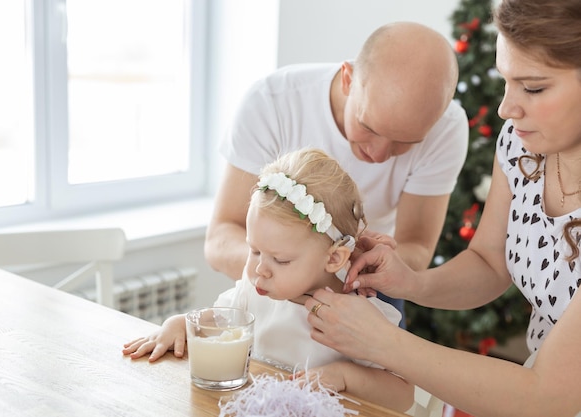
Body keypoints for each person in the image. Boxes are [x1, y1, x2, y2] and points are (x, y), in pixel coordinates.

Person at [304, 0, 581, 415]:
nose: (507, 108)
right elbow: (489, 263)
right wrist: (413, 283)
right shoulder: (522, 146)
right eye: (505, 80)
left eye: (534, 88)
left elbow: (550, 395)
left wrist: (381, 341)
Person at [204, 21, 470, 322]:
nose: (379, 155)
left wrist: (355, 266)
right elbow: (220, 239)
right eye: (368, 127)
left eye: (405, 143)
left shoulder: (447, 128)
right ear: (348, 79)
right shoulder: (273, 102)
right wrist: (286, 267)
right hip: (267, 292)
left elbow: (417, 248)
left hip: (366, 292)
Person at [123, 149, 415, 413]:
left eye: (281, 260)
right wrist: (179, 324)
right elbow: (213, 322)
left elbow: (403, 395)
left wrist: (345, 376)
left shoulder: (360, 317)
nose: (260, 269)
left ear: (334, 259)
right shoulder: (254, 294)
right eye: (255, 250)